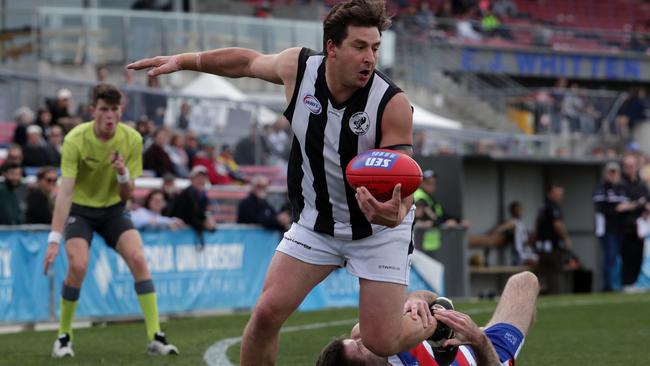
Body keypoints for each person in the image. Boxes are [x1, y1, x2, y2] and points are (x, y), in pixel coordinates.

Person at [129, 1, 422, 364]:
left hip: (378, 232)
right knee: (265, 315)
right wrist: (184, 60)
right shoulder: (299, 69)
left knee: (380, 340)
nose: (370, 58)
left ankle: (434, 320)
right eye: (359, 47)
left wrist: (396, 212)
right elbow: (246, 62)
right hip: (317, 224)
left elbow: (404, 180)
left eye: (375, 48)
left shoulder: (391, 103)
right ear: (331, 47)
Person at [41, 83, 178, 358]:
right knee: (78, 266)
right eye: (104, 109)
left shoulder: (132, 140)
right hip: (80, 211)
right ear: (93, 110)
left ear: (121, 110)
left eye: (114, 109)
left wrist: (123, 174)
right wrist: (54, 240)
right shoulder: (75, 140)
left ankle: (155, 336)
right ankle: (63, 338)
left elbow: (127, 194)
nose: (109, 115)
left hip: (114, 209)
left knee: (139, 260)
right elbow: (65, 193)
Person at [317, 271, 539, 366]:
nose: (361, 340)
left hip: (463, 337)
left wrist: (415, 299)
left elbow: (439, 301)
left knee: (525, 280)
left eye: (354, 340)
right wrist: (479, 340)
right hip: (485, 356)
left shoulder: (377, 336)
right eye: (359, 348)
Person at [593, 162, 633, 292]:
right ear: (606, 173)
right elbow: (600, 208)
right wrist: (617, 209)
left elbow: (630, 206)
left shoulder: (623, 188)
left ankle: (618, 284)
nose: (613, 175)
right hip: (608, 230)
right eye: (610, 172)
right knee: (609, 258)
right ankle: (608, 286)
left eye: (615, 172)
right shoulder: (601, 188)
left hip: (622, 229)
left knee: (619, 259)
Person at [621, 154, 650, 292]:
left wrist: (643, 208)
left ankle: (633, 283)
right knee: (627, 256)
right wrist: (639, 204)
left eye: (632, 166)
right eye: (628, 166)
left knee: (638, 255)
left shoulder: (641, 184)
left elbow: (646, 201)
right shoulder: (621, 184)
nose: (630, 169)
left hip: (640, 227)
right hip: (625, 227)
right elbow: (621, 206)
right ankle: (626, 283)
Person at [535, 183, 571, 294]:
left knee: (544, 273)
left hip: (542, 247)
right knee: (554, 273)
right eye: (558, 194)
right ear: (550, 194)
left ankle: (542, 293)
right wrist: (566, 238)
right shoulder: (553, 207)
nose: (560, 196)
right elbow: (557, 225)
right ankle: (553, 293)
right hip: (552, 247)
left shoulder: (542, 207)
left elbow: (537, 225)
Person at [167, 165, 217, 238]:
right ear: (191, 179)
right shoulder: (186, 194)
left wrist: (207, 219)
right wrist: (203, 224)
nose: (201, 180)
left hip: (186, 233)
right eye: (198, 177)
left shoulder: (202, 195)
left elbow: (200, 214)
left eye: (203, 178)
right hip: (177, 234)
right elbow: (188, 217)